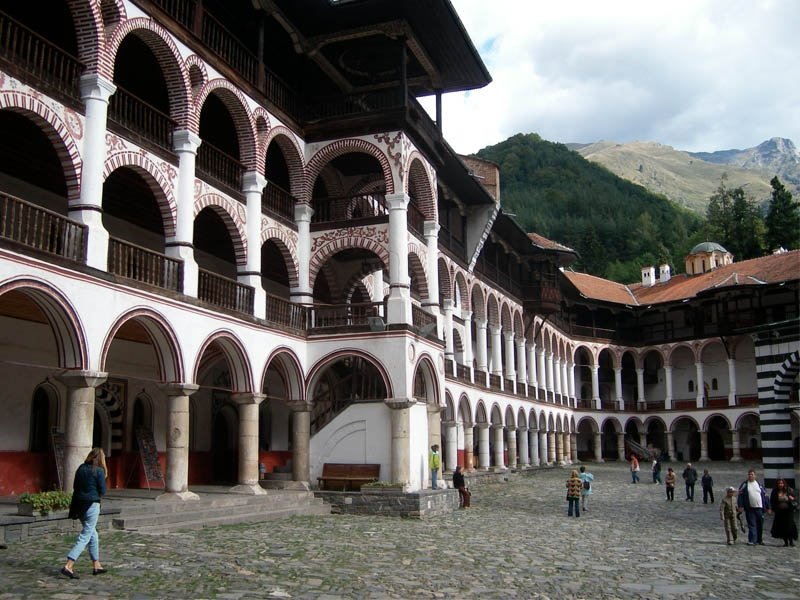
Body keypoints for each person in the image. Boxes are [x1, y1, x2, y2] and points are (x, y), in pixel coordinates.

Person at [61, 448, 108, 579]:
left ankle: (96, 565)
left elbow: (75, 486)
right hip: (92, 504)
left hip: (79, 505)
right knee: (86, 535)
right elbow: (103, 491)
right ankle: (69, 565)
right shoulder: (98, 471)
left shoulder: (81, 468)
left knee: (93, 534)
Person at [737, 469, 771, 546]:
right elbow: (740, 496)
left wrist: (768, 507)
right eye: (749, 474)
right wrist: (740, 506)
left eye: (752, 474)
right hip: (750, 508)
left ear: (755, 475)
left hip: (759, 508)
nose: (750, 476)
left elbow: (765, 496)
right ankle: (752, 540)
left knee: (760, 524)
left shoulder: (759, 485)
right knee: (752, 524)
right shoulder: (745, 484)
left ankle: (759, 540)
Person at [769, 478, 797, 547]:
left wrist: (792, 499)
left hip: (788, 511)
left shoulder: (788, 490)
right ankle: (786, 542)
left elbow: (795, 498)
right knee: (782, 527)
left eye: (782, 483)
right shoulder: (775, 491)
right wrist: (772, 509)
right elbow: (772, 501)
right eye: (779, 483)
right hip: (780, 512)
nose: (780, 485)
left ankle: (791, 541)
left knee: (789, 526)